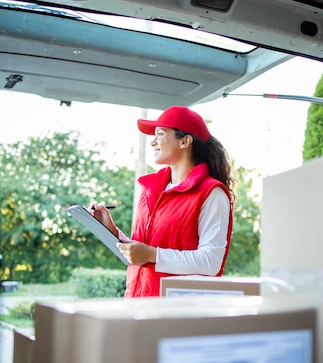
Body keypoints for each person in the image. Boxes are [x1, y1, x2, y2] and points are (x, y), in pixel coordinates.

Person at [91, 105, 236, 298]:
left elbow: (210, 262)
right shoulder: (150, 190)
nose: (153, 142)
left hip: (175, 315)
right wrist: (111, 230)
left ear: (185, 141)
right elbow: (140, 255)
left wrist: (153, 254)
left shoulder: (211, 193)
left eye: (159, 133)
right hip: (137, 304)